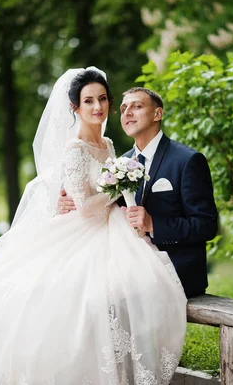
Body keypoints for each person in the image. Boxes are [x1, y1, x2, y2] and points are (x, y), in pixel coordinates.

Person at [0, 68, 187, 385]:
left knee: (139, 284)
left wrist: (116, 190)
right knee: (77, 299)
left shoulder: (108, 144)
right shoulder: (74, 147)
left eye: (103, 99)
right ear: (75, 108)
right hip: (84, 230)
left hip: (113, 229)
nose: (98, 107)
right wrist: (116, 189)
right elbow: (84, 206)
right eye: (88, 101)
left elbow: (103, 192)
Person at [58, 87, 218, 298]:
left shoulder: (187, 161)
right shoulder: (121, 163)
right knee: (78, 284)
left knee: (107, 292)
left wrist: (153, 224)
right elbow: (105, 209)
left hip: (174, 268)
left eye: (137, 106)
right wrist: (68, 204)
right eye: (124, 109)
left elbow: (206, 226)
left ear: (157, 114)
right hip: (129, 261)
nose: (127, 113)